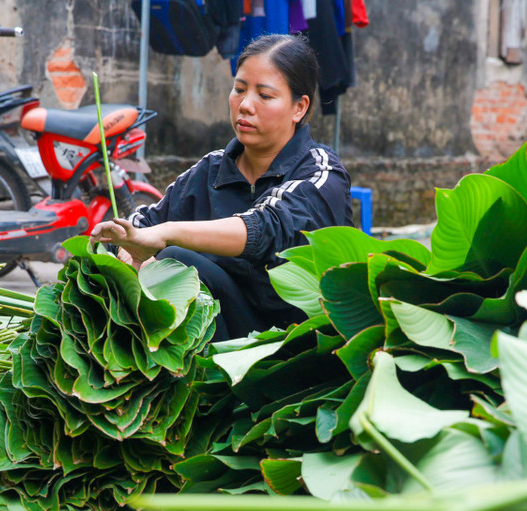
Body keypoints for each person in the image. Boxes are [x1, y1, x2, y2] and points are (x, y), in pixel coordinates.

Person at [90, 33, 353, 340]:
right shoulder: (212, 169)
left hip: (296, 345)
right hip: (224, 334)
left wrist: (166, 235)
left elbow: (267, 226)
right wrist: (129, 249)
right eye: (239, 89)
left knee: (178, 259)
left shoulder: (321, 172)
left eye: (265, 96)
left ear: (299, 108)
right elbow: (142, 225)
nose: (245, 105)